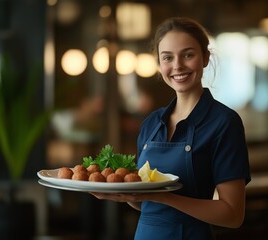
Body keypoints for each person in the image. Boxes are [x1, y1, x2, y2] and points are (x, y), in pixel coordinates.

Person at [90, 17, 251, 239]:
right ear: (159, 63)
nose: (177, 66)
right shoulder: (151, 123)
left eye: (188, 55)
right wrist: (122, 194)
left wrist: (164, 197)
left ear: (205, 58)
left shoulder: (224, 122)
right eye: (168, 57)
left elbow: (233, 215)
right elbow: (144, 203)